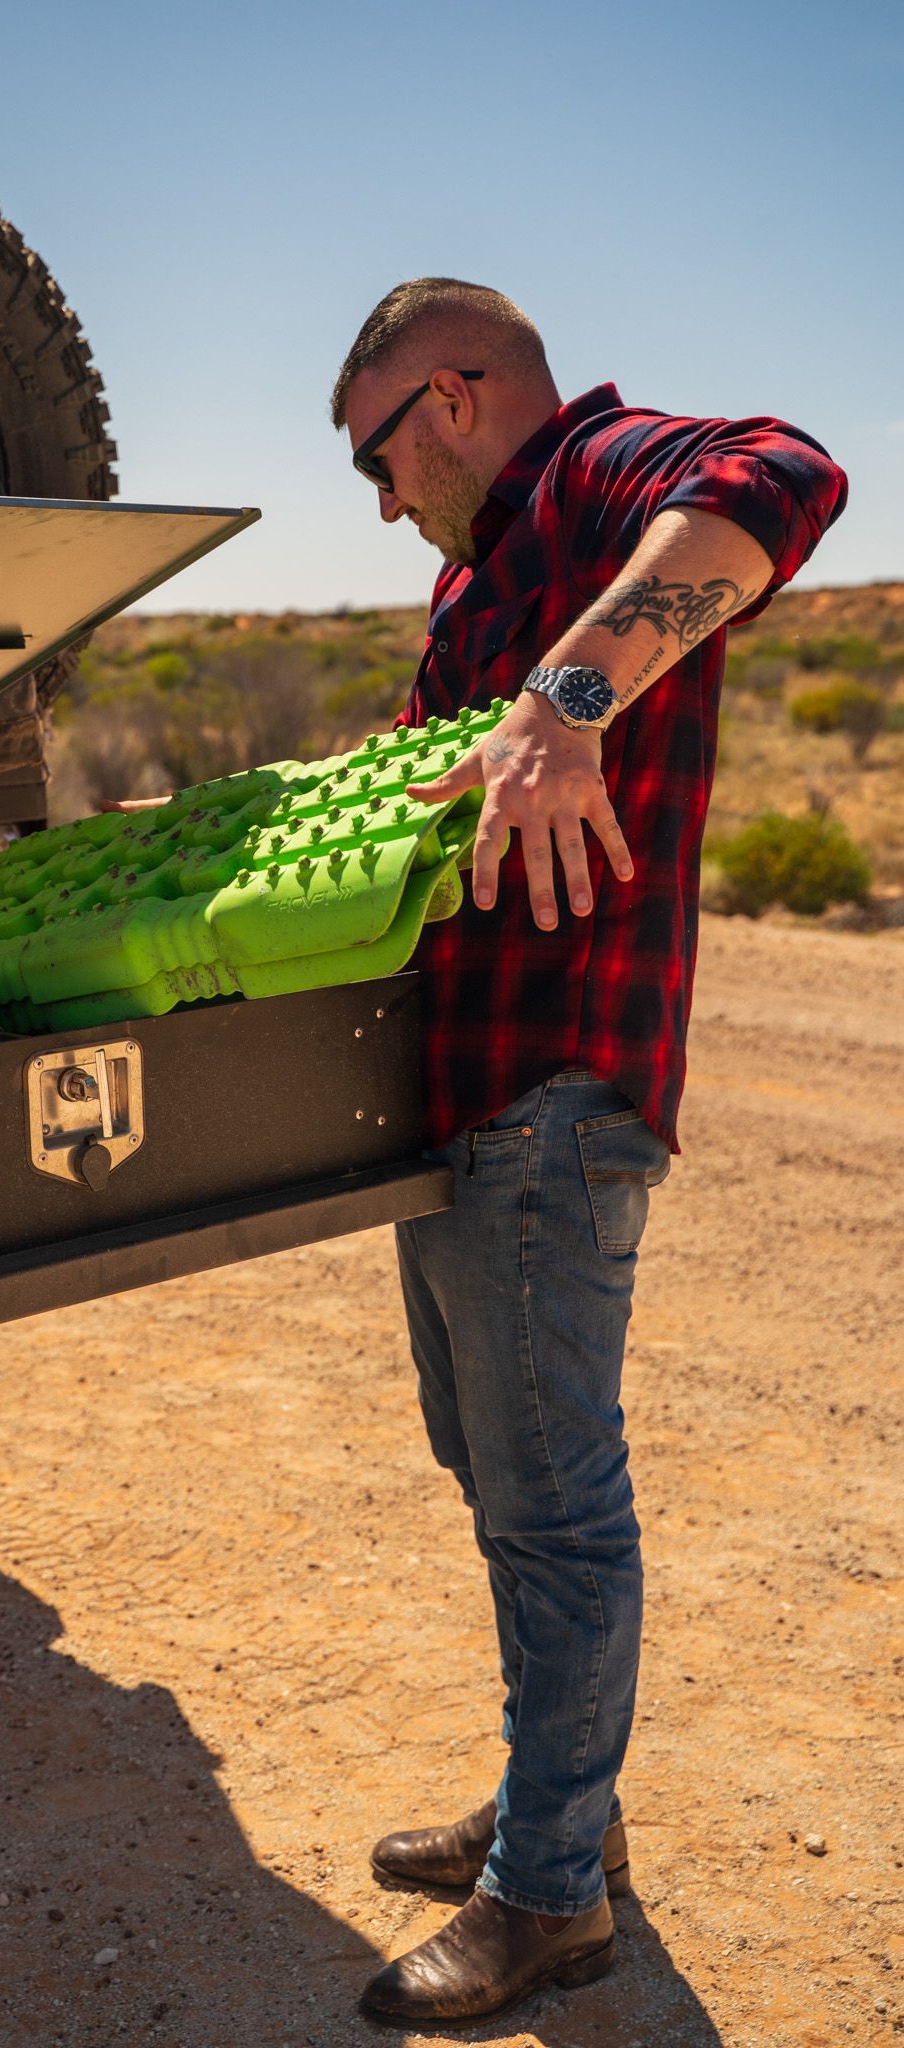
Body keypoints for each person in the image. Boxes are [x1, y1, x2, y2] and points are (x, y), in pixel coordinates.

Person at [329, 278, 846, 2024]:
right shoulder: (475, 577)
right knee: (489, 1469)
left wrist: (567, 697)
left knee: (554, 1507)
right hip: (470, 1094)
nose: (384, 499)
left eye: (377, 456)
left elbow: (787, 470)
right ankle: (562, 1804)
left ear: (454, 396)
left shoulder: (598, 476)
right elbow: (447, 797)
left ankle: (549, 1894)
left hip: (561, 1088)